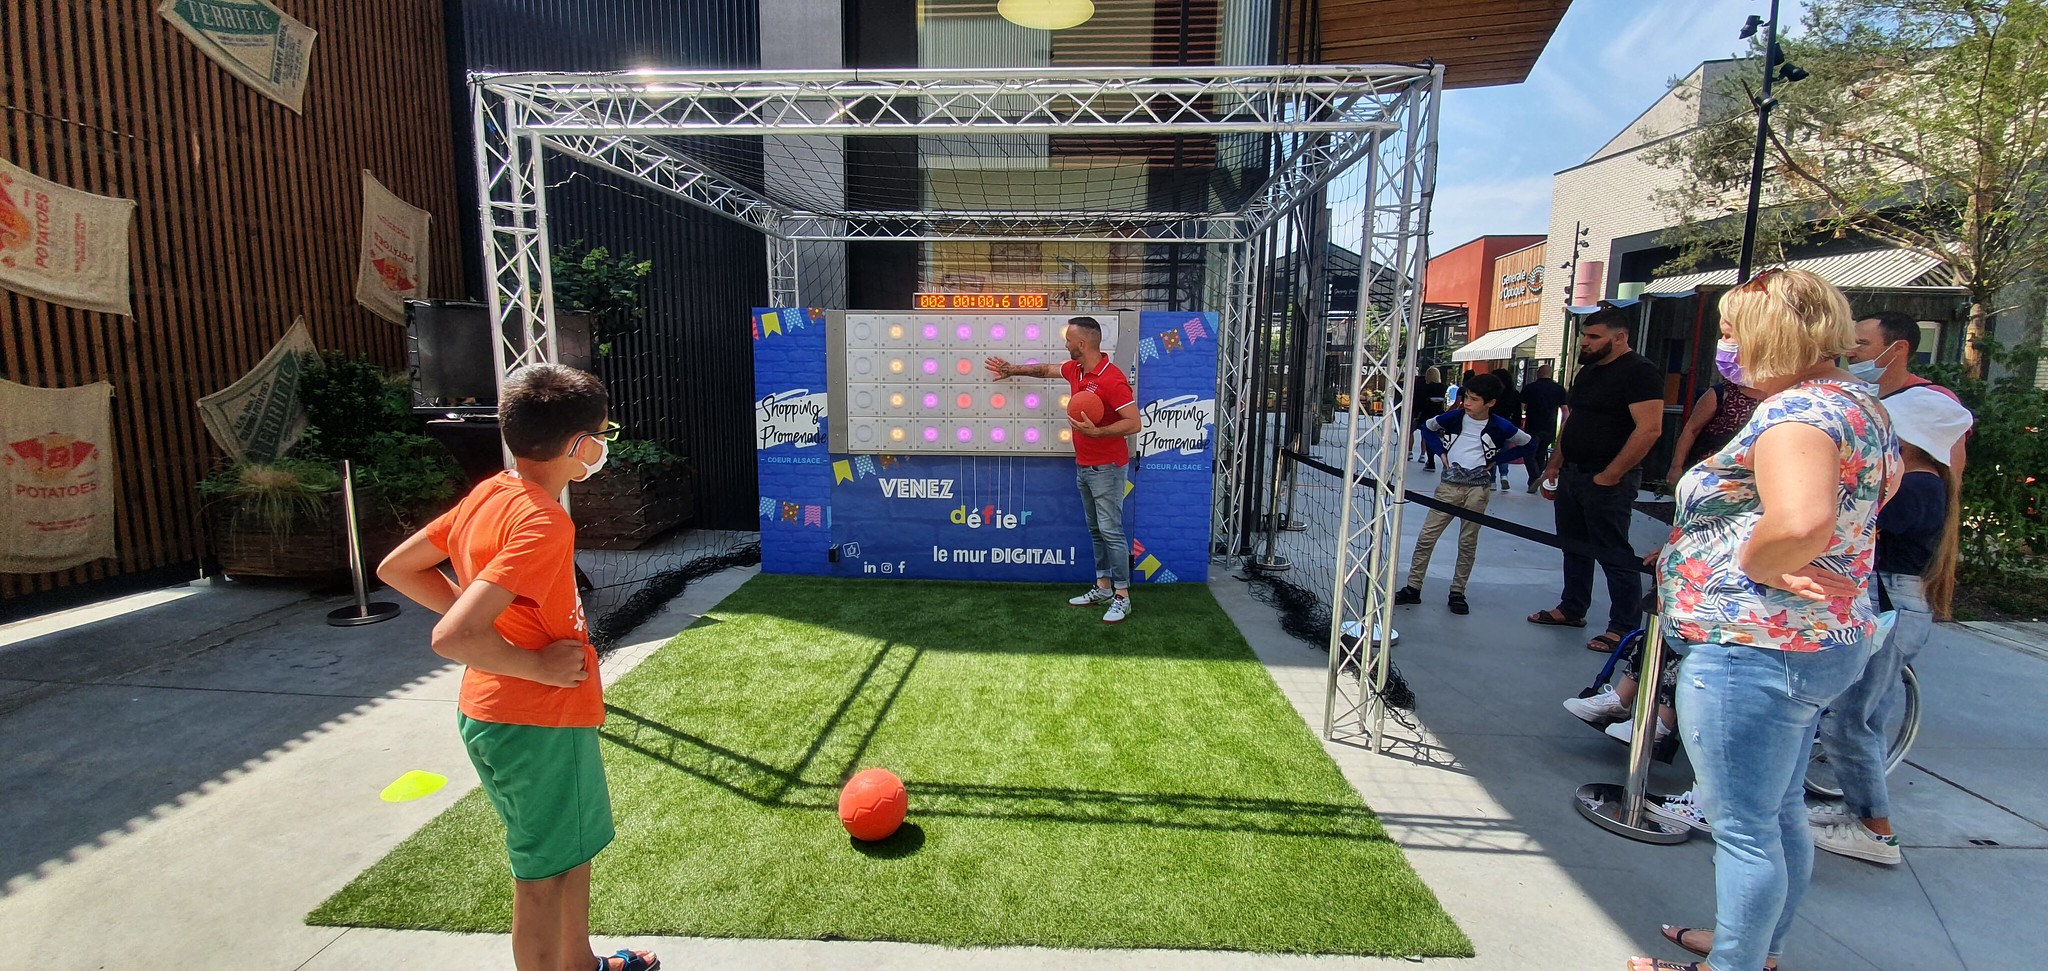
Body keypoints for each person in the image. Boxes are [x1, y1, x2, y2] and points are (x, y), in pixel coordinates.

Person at [1630, 268, 1900, 971]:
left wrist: (1754, 562)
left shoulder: (1798, 415)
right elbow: (1875, 493)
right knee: (1778, 815)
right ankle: (1753, 947)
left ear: (1774, 333)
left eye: (1729, 331)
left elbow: (1805, 517)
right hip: (1815, 642)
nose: (1723, 346)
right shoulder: (1858, 405)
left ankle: (1733, 962)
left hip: (1753, 645)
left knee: (1745, 828)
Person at [376, 364, 661, 971]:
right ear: (581, 446)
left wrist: (501, 634)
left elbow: (398, 568)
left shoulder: (491, 492)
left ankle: (581, 962)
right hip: (533, 722)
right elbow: (453, 637)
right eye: (602, 435)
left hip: (527, 717)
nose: (604, 447)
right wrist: (532, 663)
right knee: (542, 876)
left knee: (571, 852)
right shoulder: (542, 521)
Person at [1809, 387, 1972, 865]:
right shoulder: (1927, 482)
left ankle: (1875, 829)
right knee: (1864, 716)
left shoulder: (1916, 486)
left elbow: (1854, 524)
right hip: (1894, 604)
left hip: (1888, 607)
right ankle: (1860, 812)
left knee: (1849, 718)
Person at [984, 317, 1143, 623]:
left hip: (1108, 468)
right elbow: (1044, 370)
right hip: (1084, 466)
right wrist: (1012, 368)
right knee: (1097, 531)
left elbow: (1134, 423)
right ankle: (1103, 587)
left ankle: (1122, 596)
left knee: (1111, 531)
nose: (1065, 344)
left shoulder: (1113, 379)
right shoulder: (1076, 369)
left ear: (1082, 344)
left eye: (1069, 340)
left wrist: (1098, 432)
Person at [1529, 307, 1664, 653]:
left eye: (1594, 337)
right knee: (1573, 546)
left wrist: (1612, 474)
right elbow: (1572, 421)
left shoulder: (1640, 372)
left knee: (1612, 550)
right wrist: (1555, 465)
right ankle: (1573, 607)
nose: (1585, 343)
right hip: (1574, 473)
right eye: (1584, 337)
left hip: (1608, 478)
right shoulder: (1587, 371)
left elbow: (1649, 428)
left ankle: (1623, 625)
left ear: (1619, 338)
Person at [1392, 373, 1532, 615]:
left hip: (1478, 489)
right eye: (1466, 397)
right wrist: (1439, 452)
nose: (1467, 403)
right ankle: (1413, 588)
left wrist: (1497, 460)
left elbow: (1529, 444)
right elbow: (1427, 427)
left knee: (1468, 542)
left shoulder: (1500, 425)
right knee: (1427, 537)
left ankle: (1458, 591)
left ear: (1490, 403)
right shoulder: (1455, 417)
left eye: (1474, 399)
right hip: (1448, 486)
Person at [1665, 344, 1765, 486]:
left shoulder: (1777, 396)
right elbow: (1691, 430)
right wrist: (1676, 467)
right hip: (1710, 475)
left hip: (1756, 477)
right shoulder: (1721, 393)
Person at [1520, 362, 1567, 493]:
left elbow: (1522, 407)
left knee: (1528, 453)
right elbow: (1565, 410)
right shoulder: (1559, 389)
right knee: (1541, 453)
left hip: (1533, 425)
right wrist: (1564, 425)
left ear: (1538, 374)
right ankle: (1535, 478)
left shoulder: (1529, 388)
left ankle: (1534, 477)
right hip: (1549, 426)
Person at [1489, 370, 1525, 491]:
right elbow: (1518, 412)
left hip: (1492, 425)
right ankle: (1504, 475)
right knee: (1504, 452)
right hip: (1508, 425)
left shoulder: (1493, 393)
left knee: (1491, 452)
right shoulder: (1514, 393)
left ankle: (1492, 480)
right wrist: (1516, 426)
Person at [1409, 366, 1447, 470]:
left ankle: (1429, 460)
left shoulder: (1426, 388)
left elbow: (1420, 402)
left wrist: (1416, 415)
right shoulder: (1444, 387)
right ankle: (1425, 456)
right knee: (1432, 437)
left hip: (1426, 413)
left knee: (1425, 434)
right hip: (1439, 413)